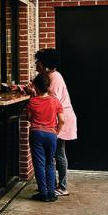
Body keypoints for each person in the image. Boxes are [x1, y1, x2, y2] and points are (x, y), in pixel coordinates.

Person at [35, 48, 77, 196]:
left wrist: (33, 94)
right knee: (53, 153)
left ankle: (63, 187)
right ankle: (50, 184)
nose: (36, 64)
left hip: (61, 119)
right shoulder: (47, 76)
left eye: (38, 62)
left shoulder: (55, 77)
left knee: (58, 153)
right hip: (56, 118)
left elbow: (52, 100)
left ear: (44, 64)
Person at [25, 72, 64, 202]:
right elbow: (62, 120)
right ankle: (52, 193)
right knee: (50, 163)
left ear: (35, 87)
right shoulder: (55, 101)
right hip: (51, 134)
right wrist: (56, 132)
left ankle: (43, 193)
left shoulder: (32, 102)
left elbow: (29, 118)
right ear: (48, 86)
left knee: (39, 164)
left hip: (36, 134)